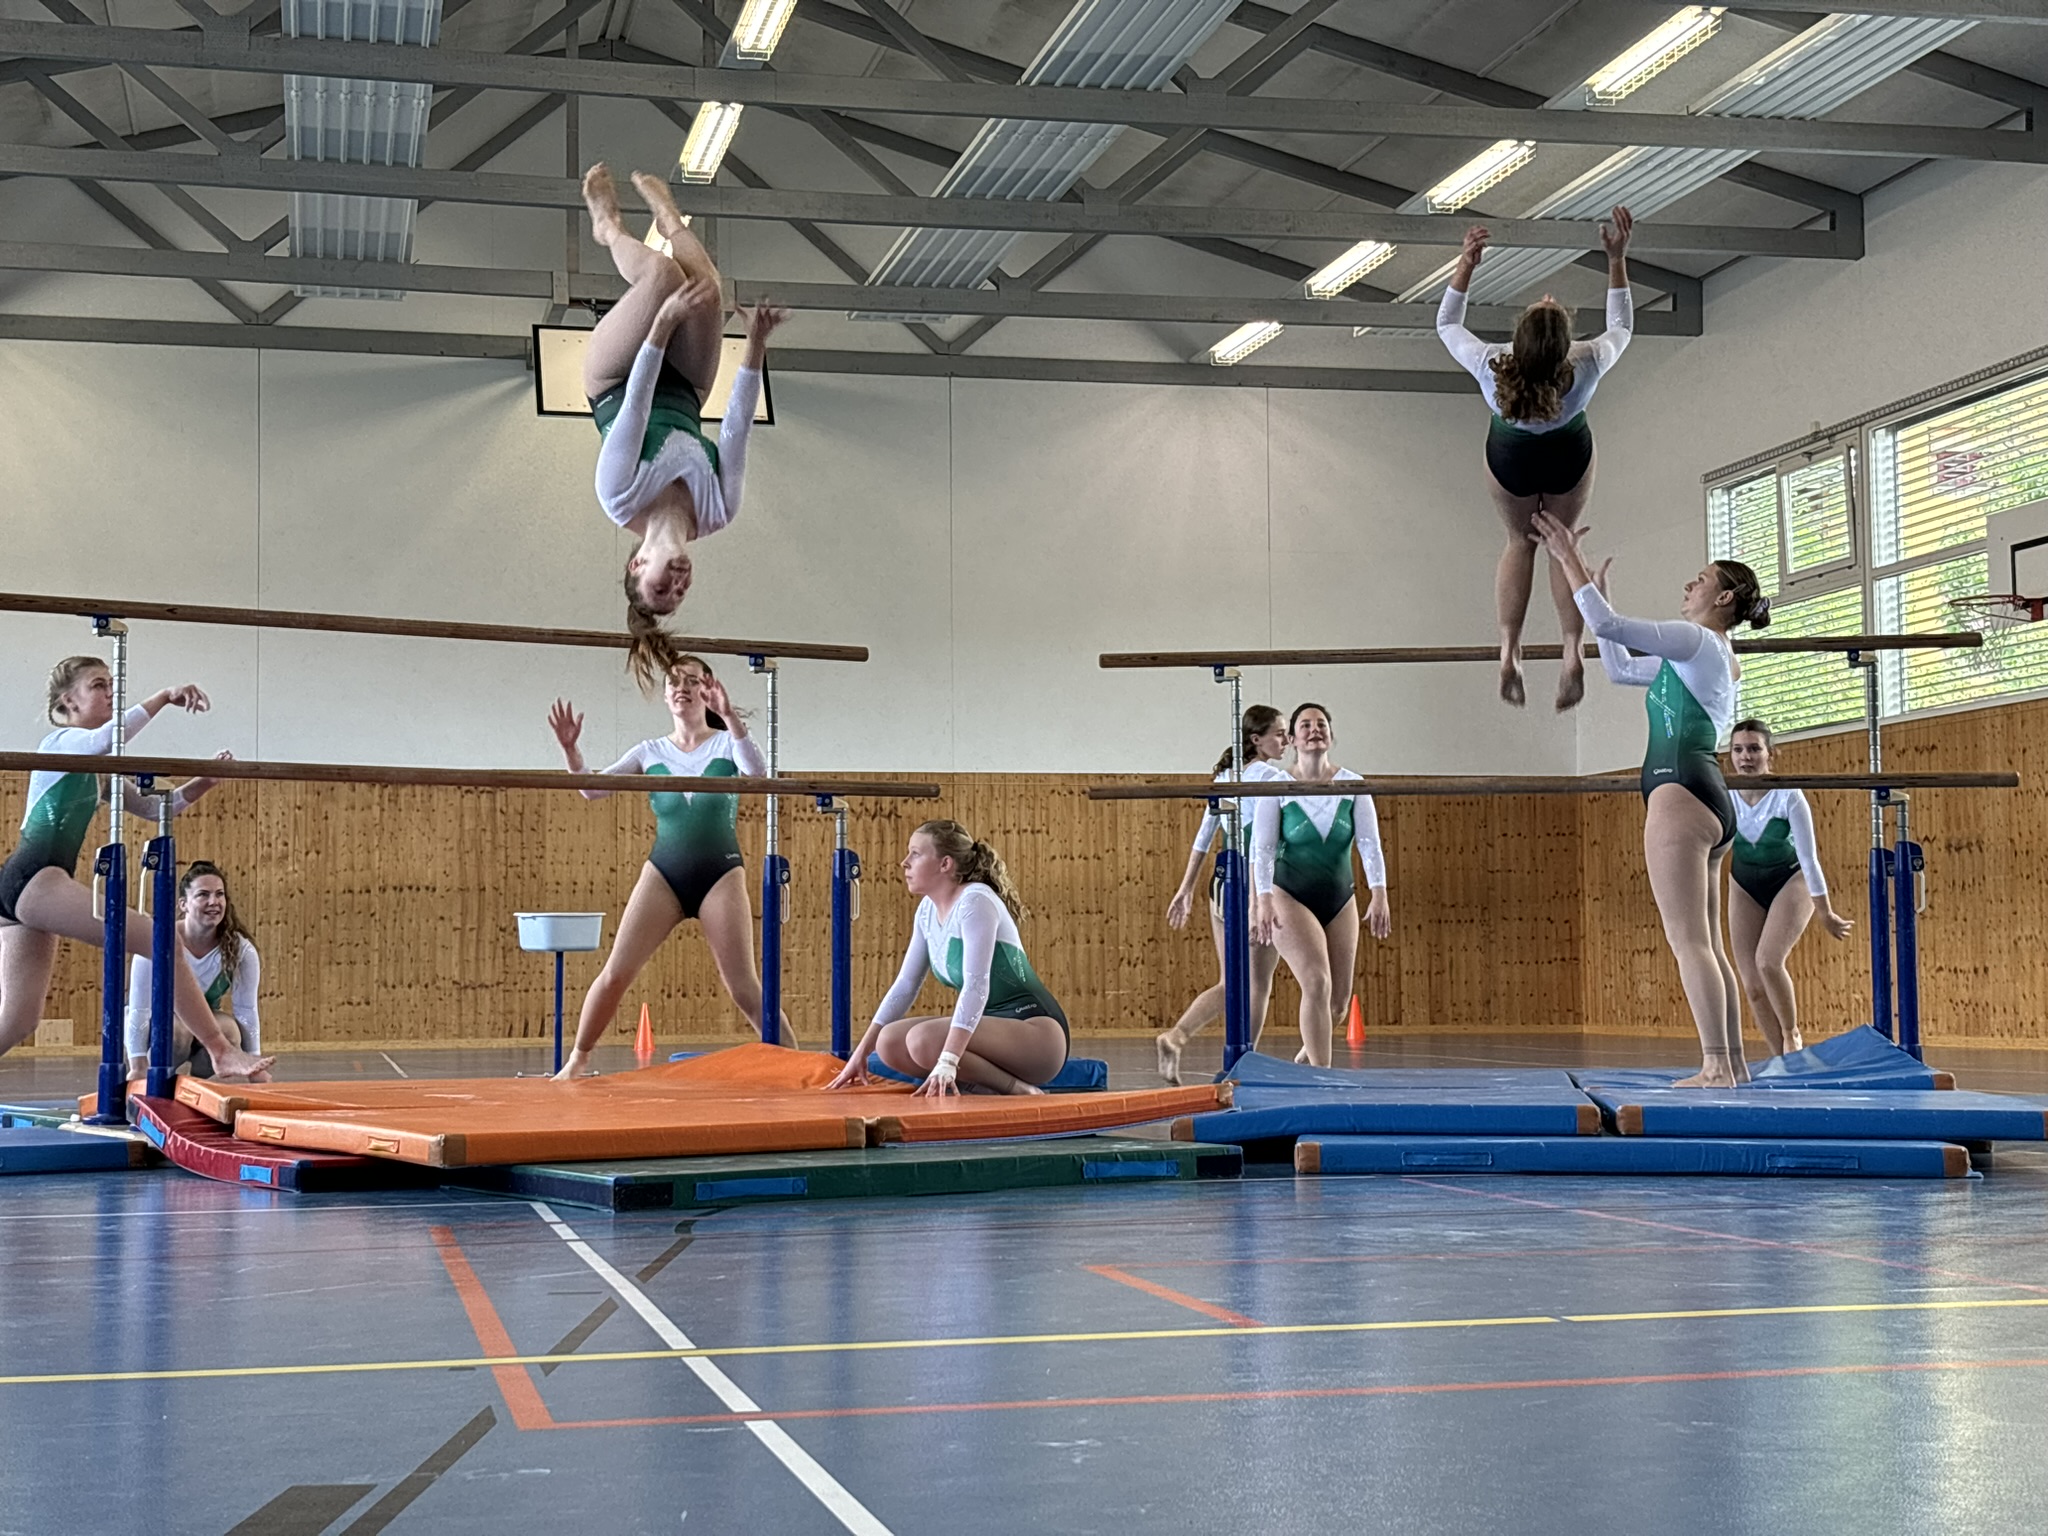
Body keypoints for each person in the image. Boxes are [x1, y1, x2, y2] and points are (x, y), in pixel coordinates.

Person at [1534, 510, 1768, 1087]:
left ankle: (1716, 1064)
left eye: (1701, 579)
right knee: (1706, 945)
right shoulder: (1702, 656)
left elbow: (1609, 625)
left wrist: (1568, 559)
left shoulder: (1698, 640)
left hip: (1680, 790)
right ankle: (1732, 1064)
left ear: (1724, 598)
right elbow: (1618, 667)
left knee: (1690, 943)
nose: (1689, 584)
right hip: (1702, 793)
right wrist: (1596, 591)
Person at [0, 657, 271, 1079]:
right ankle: (221, 1050)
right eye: (98, 685)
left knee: (19, 1020)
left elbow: (155, 807)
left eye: (112, 684)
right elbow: (108, 737)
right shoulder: (61, 743)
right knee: (160, 938)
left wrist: (204, 781)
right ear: (68, 701)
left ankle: (220, 1050)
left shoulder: (98, 772)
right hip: (34, 877)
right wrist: (164, 696)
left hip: (24, 887)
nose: (111, 692)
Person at [580, 162, 789, 688]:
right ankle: (670, 220)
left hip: (616, 380)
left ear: (636, 565)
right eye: (680, 595)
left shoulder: (617, 496)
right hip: (687, 392)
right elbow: (736, 429)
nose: (677, 585)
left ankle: (609, 230)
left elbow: (634, 407)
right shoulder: (718, 511)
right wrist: (755, 345)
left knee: (663, 279)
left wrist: (664, 322)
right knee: (709, 290)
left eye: (660, 589)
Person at [548, 655, 789, 1077]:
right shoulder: (650, 751)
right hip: (664, 873)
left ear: (707, 690)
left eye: (692, 681)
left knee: (743, 987)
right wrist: (571, 751)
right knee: (616, 973)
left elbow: (758, 774)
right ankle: (577, 1060)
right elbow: (592, 790)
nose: (682, 688)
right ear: (664, 695)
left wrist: (730, 716)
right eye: (674, 681)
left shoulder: (725, 743)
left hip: (720, 874)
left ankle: (797, 1062)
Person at [1438, 206, 1635, 711]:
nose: (1547, 297)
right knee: (1561, 545)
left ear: (1518, 342)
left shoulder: (1490, 364)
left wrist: (1466, 265)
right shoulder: (1588, 361)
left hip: (1511, 459)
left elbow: (1446, 324)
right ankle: (1572, 650)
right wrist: (1616, 260)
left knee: (1518, 541)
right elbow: (1622, 326)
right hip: (1569, 454)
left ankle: (1509, 650)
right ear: (1565, 345)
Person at [830, 821, 1068, 1097]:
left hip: (1037, 1035)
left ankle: (1018, 1089)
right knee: (889, 1042)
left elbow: (976, 985)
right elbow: (905, 985)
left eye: (916, 853)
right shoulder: (927, 910)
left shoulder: (975, 901)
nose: (904, 862)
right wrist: (860, 1053)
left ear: (945, 864)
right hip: (989, 1033)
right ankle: (979, 1085)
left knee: (923, 1040)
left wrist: (948, 1060)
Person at [1249, 704, 1392, 1068]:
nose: (1315, 730)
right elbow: (1262, 849)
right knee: (1316, 981)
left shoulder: (1353, 785)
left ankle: (1305, 1061)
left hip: (1339, 897)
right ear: (1293, 739)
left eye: (1321, 724)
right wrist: (1262, 899)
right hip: (1288, 894)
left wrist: (1379, 892)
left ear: (1331, 734)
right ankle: (1321, 1078)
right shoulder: (1276, 788)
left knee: (1338, 1004)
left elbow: (1369, 844)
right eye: (1305, 725)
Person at [1156, 706, 1289, 1084]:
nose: (1286, 741)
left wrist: (1186, 888)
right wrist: (1257, 900)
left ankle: (1178, 1036)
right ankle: (1243, 1063)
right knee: (1255, 983)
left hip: (1221, 883)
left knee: (1232, 981)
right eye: (1279, 734)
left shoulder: (1226, 776)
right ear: (1256, 739)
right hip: (1250, 885)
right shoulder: (1271, 778)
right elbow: (1262, 845)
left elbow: (1203, 838)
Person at [1725, 718, 1853, 1057]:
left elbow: (1809, 858)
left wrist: (1825, 911)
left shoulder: (1788, 794)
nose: (1746, 757)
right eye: (1738, 750)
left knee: (1768, 962)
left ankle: (1791, 1034)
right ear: (1730, 755)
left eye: (1754, 749)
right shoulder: (1724, 794)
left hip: (1790, 879)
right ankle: (1781, 1061)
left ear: (1771, 753)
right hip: (1743, 884)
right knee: (1753, 986)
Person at [124, 861, 261, 1085]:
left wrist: (255, 1065)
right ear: (183, 904)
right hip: (157, 1025)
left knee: (230, 1032)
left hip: (203, 1024)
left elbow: (246, 1010)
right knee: (177, 1033)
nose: (213, 902)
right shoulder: (156, 941)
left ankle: (196, 1085)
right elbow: (139, 1009)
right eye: (203, 895)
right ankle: (161, 1077)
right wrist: (138, 1066)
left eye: (219, 894)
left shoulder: (241, 950)